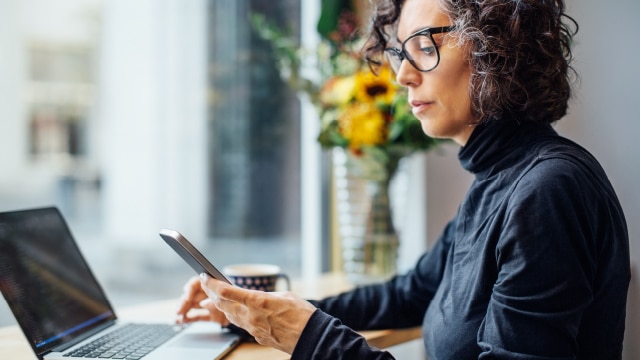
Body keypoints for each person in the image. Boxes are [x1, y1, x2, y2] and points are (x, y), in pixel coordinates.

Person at [176, 0, 631, 358]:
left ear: (498, 48)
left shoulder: (548, 190)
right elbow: (407, 295)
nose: (401, 75)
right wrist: (255, 315)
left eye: (424, 47)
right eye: (400, 51)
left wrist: (310, 337)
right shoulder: (500, 181)